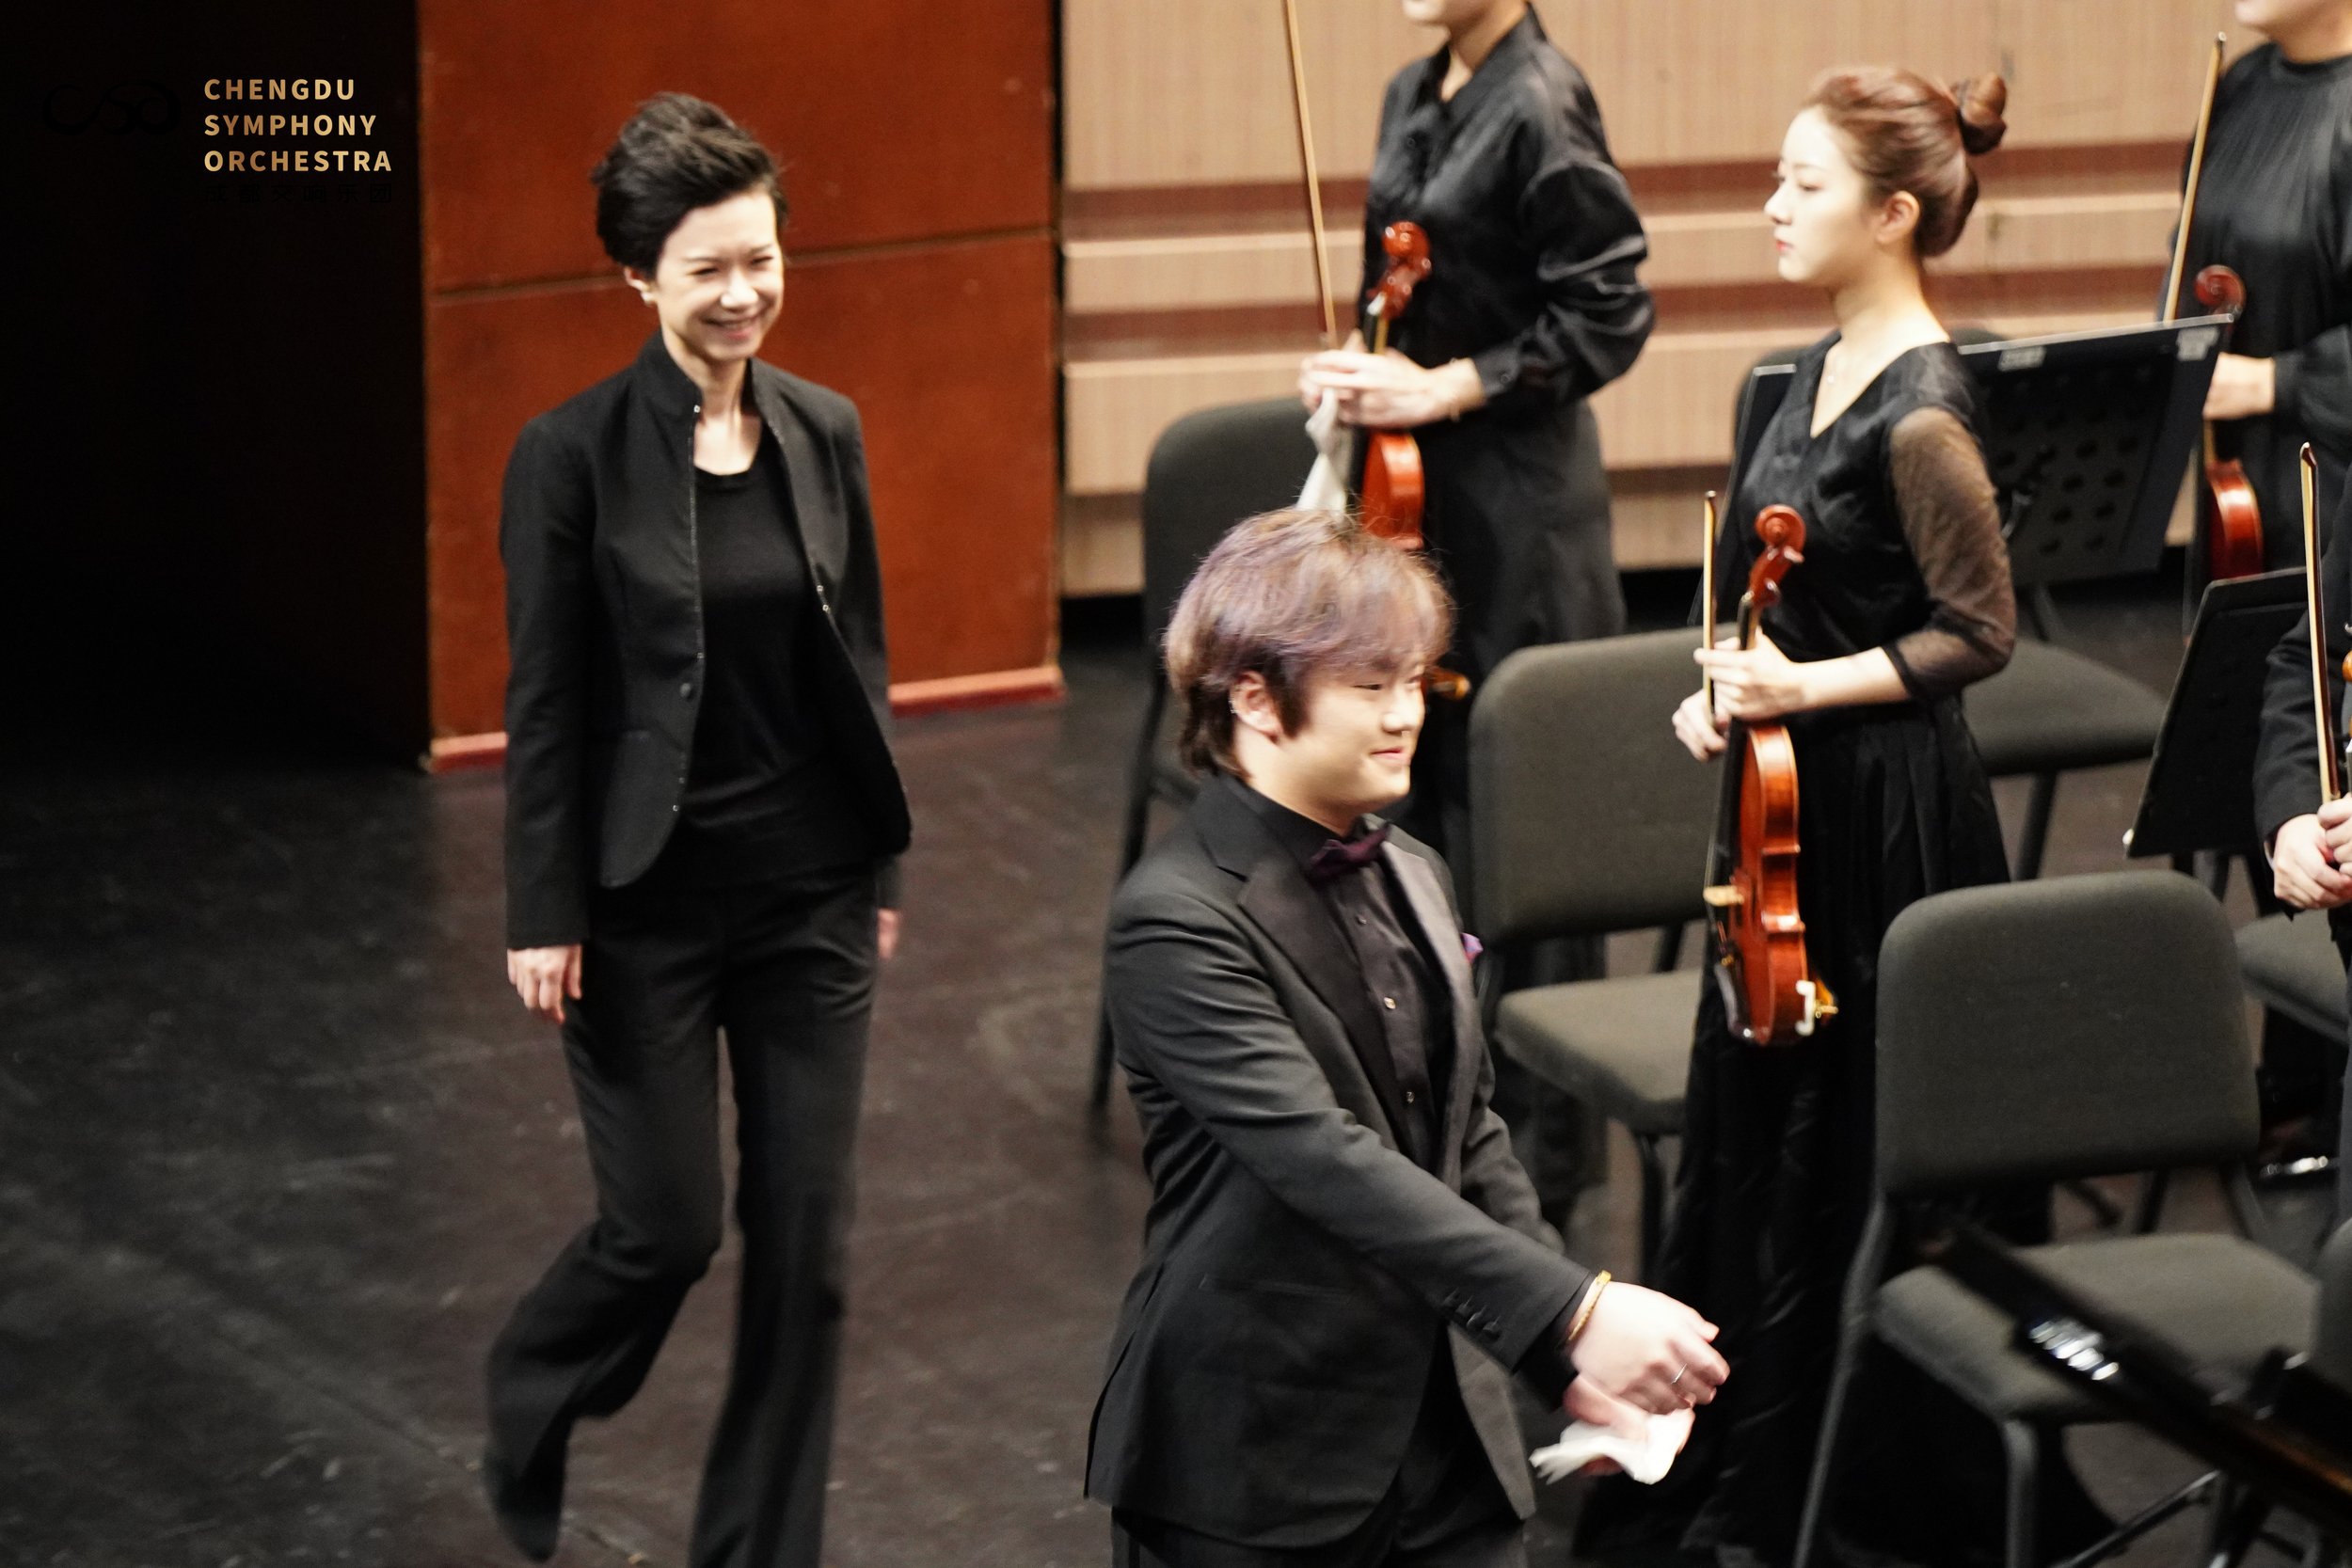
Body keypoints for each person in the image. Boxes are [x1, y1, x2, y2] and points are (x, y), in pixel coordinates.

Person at [1581, 69, 2106, 1565]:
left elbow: (1979, 634)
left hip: (1886, 818)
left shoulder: (1929, 413)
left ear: (1892, 214)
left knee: (1851, 1127)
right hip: (1786, 803)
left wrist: (1799, 692)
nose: (1771, 206)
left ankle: (1848, 1482)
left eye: (1802, 186)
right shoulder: (1794, 374)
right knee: (1760, 1117)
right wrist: (1725, 684)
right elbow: (1778, 599)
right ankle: (1741, 1438)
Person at [1089, 510, 1728, 1568]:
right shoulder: (1176, 919)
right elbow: (1322, 1161)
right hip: (1257, 1453)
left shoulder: (1414, 869)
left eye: (1412, 682)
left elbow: (1469, 1135)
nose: (1403, 716)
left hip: (1447, 1434)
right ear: (1253, 695)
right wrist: (1574, 1310)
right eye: (1367, 686)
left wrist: (1550, 1358)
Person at [483, 94, 910, 1568]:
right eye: (708, 269)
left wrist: (882, 863)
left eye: (763, 259)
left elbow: (858, 660)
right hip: (644, 900)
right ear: (641, 283)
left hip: (809, 895)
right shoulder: (568, 457)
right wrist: (543, 905)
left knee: (811, 1252)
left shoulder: (825, 430)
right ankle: (531, 1388)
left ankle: (757, 1550)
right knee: (666, 1228)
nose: (743, 295)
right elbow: (545, 705)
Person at [1296, 0, 1652, 866]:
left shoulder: (1542, 100)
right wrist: (1357, 362)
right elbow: (1401, 283)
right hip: (1414, 489)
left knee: (1518, 808)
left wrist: (1440, 388)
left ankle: (1528, 1007)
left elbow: (1609, 314)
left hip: (1518, 503)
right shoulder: (1410, 90)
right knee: (1412, 774)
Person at [2174, 0, 2352, 573]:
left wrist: (2277, 381)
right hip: (2239, 485)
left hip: (2331, 491)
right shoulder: (2241, 83)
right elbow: (2192, 253)